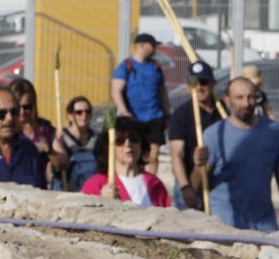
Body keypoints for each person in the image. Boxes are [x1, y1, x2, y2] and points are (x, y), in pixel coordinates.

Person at [194, 78, 279, 233]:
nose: (246, 103)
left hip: (264, 225)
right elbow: (197, 184)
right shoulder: (214, 134)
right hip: (225, 227)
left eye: (251, 97)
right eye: (240, 97)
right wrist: (198, 165)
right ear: (227, 101)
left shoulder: (272, 131)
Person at [166, 61, 223, 211]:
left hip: (219, 183)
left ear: (213, 83)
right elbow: (176, 154)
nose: (199, 87)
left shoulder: (223, 112)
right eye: (194, 82)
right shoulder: (181, 114)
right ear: (188, 86)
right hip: (190, 183)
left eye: (203, 82)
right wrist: (185, 188)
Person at [110, 33, 170, 165]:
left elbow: (162, 91)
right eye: (152, 45)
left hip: (155, 117)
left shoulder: (156, 67)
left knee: (153, 154)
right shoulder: (126, 66)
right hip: (134, 118)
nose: (155, 49)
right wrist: (125, 112)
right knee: (136, 153)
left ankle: (150, 183)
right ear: (140, 46)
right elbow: (116, 91)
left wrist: (167, 113)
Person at [81, 120, 171, 207]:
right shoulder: (95, 185)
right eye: (120, 140)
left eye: (134, 139)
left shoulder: (155, 184)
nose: (128, 144)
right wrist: (101, 201)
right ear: (109, 148)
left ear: (141, 145)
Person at [53, 96, 99, 193]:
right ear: (70, 116)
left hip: (93, 190)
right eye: (79, 112)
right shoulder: (61, 138)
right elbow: (58, 166)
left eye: (87, 111)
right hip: (68, 189)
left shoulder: (98, 138)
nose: (84, 115)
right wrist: (57, 145)